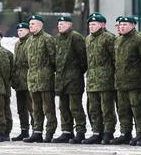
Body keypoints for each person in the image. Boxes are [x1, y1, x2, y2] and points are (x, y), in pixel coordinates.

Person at [53, 15, 88, 144]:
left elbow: (83, 59)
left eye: (63, 23)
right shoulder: (58, 38)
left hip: (74, 78)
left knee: (75, 107)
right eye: (59, 24)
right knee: (63, 106)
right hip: (61, 78)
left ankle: (80, 132)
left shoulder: (76, 37)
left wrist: (77, 72)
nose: (60, 26)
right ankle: (66, 131)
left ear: (70, 25)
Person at [83, 13, 117, 144]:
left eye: (94, 24)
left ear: (102, 25)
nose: (91, 27)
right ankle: (97, 132)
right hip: (92, 80)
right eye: (90, 24)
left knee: (107, 108)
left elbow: (115, 59)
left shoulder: (108, 38)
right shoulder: (88, 39)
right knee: (93, 108)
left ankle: (108, 132)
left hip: (106, 80)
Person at [24, 15, 57, 143]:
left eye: (33, 24)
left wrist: (48, 72)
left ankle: (50, 131)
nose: (30, 26)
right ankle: (37, 131)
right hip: (32, 78)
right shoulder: (29, 40)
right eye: (30, 24)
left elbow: (53, 58)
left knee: (48, 107)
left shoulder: (47, 39)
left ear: (40, 25)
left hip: (45, 78)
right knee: (35, 108)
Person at [113, 16, 141, 145]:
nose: (122, 26)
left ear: (133, 25)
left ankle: (139, 133)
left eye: (125, 24)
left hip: (135, 83)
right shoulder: (118, 40)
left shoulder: (138, 39)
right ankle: (125, 133)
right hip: (120, 82)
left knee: (137, 109)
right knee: (123, 110)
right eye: (121, 24)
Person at [12, 23, 33, 141]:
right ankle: (24, 130)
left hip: (29, 79)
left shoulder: (30, 42)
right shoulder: (17, 44)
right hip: (19, 81)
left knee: (32, 107)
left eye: (22, 30)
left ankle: (36, 129)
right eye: (18, 30)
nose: (19, 32)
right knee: (21, 109)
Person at [0, 29, 13, 139]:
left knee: (4, 109)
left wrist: (5, 84)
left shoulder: (6, 53)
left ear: (0, 38)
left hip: (2, 86)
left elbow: (8, 72)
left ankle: (5, 132)